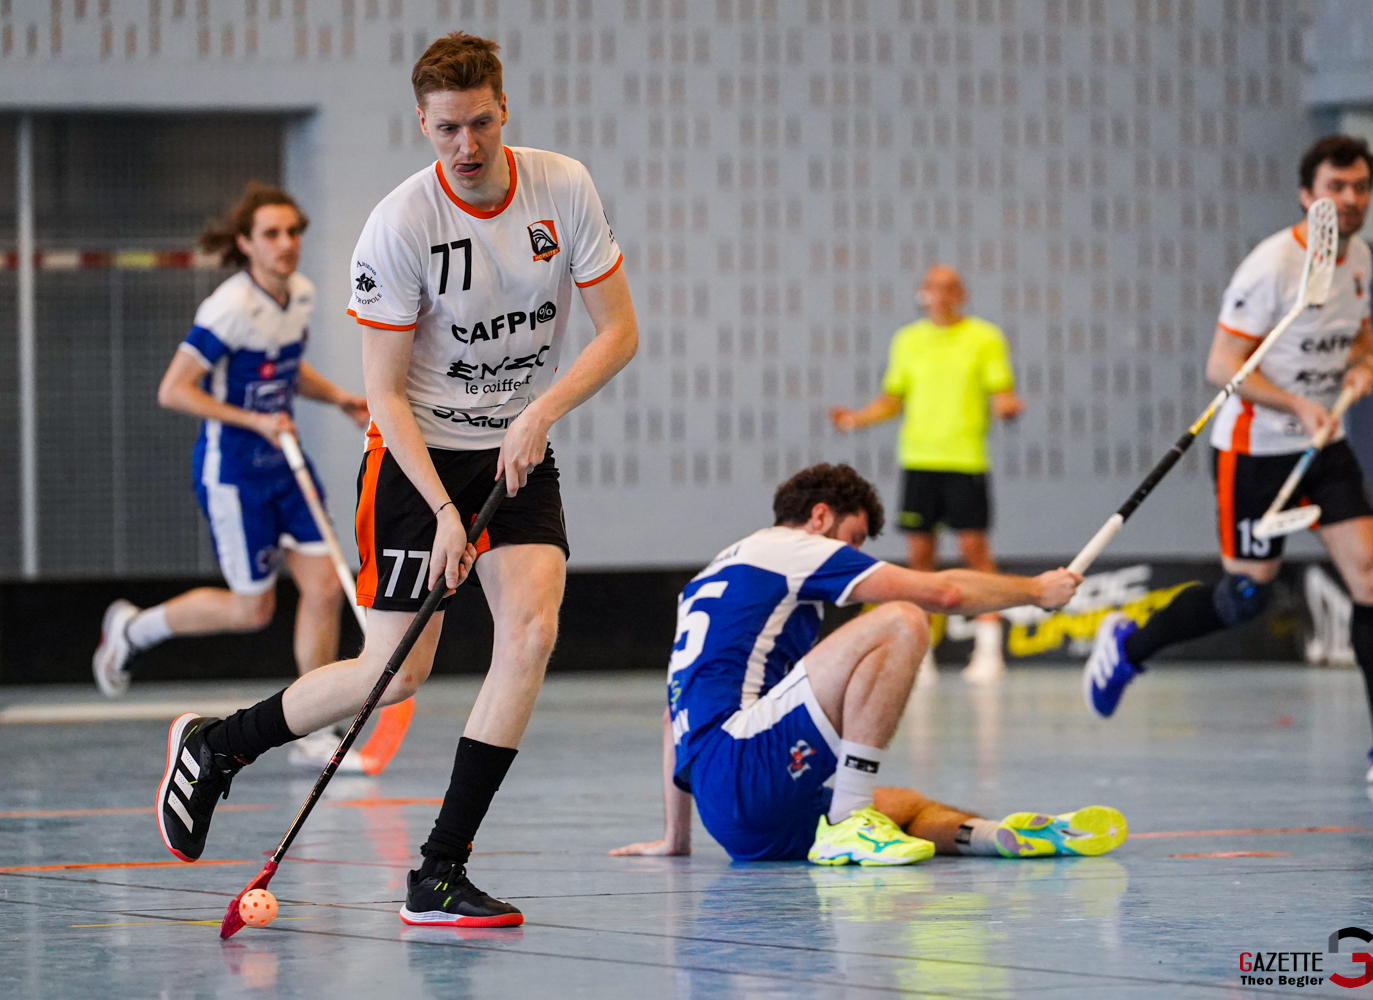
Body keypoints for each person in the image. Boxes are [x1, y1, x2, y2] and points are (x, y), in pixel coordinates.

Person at [152, 32, 637, 927]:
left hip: (516, 444)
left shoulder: (562, 188)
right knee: (395, 672)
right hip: (417, 455)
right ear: (424, 122)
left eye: (482, 122)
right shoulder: (401, 223)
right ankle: (219, 747)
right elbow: (382, 394)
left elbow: (617, 332)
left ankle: (438, 873)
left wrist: (538, 413)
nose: (468, 145)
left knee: (529, 632)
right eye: (448, 128)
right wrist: (448, 511)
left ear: (504, 109)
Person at [1084, 135, 1373, 785]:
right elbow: (1221, 366)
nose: (1349, 199)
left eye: (1360, 187)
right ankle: (1129, 644)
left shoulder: (1362, 259)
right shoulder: (1271, 267)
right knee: (1243, 596)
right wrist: (1297, 406)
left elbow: (1360, 334)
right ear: (1306, 195)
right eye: (1335, 188)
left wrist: (1365, 366)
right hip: (1253, 451)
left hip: (1324, 448)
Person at [609, 464, 1127, 866]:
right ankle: (852, 820)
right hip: (744, 763)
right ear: (818, 518)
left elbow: (669, 721)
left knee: (904, 805)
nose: (854, 555)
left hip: (731, 817)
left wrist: (676, 839)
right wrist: (1036, 590)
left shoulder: (711, 578)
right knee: (902, 618)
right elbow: (943, 592)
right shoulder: (792, 548)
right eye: (853, 540)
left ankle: (998, 837)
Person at [92, 182, 372, 771]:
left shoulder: (299, 295)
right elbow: (174, 390)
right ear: (246, 243)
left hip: (286, 469)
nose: (286, 243)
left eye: (293, 231)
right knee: (254, 611)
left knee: (324, 588)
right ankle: (134, 629)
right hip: (234, 473)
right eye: (271, 234)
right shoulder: (227, 309)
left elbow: (286, 371)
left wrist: (341, 397)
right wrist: (253, 421)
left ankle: (315, 731)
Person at [829, 265, 1025, 685]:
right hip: (918, 462)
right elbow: (891, 399)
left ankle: (989, 650)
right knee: (919, 559)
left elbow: (1002, 390)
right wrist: (853, 420)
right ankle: (920, 655)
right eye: (933, 288)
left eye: (949, 288)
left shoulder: (985, 337)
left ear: (962, 294)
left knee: (974, 550)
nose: (940, 295)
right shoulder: (907, 339)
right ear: (923, 293)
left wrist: (1007, 406)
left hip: (966, 462)